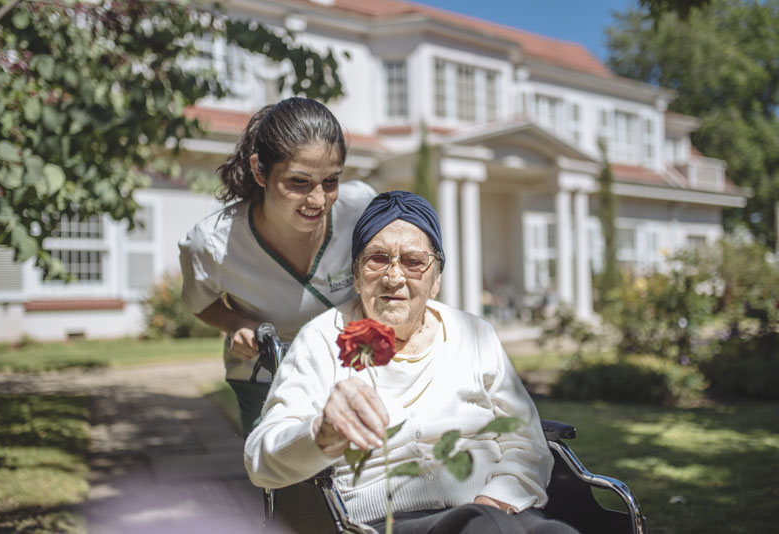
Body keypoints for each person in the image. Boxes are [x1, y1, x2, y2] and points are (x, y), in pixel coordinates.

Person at [245, 191, 579, 534]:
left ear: (435, 280)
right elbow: (261, 460)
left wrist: (495, 500)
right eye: (377, 259)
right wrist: (321, 433)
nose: (394, 277)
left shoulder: (476, 335)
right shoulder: (321, 340)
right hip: (387, 522)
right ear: (357, 276)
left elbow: (527, 444)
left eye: (413, 261)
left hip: (497, 511)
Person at [178, 97, 376, 435]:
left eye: (331, 181)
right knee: (285, 478)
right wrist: (238, 323)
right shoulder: (212, 244)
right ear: (259, 170)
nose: (318, 200)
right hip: (265, 378)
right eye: (298, 182)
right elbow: (201, 303)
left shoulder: (361, 209)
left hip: (350, 366)